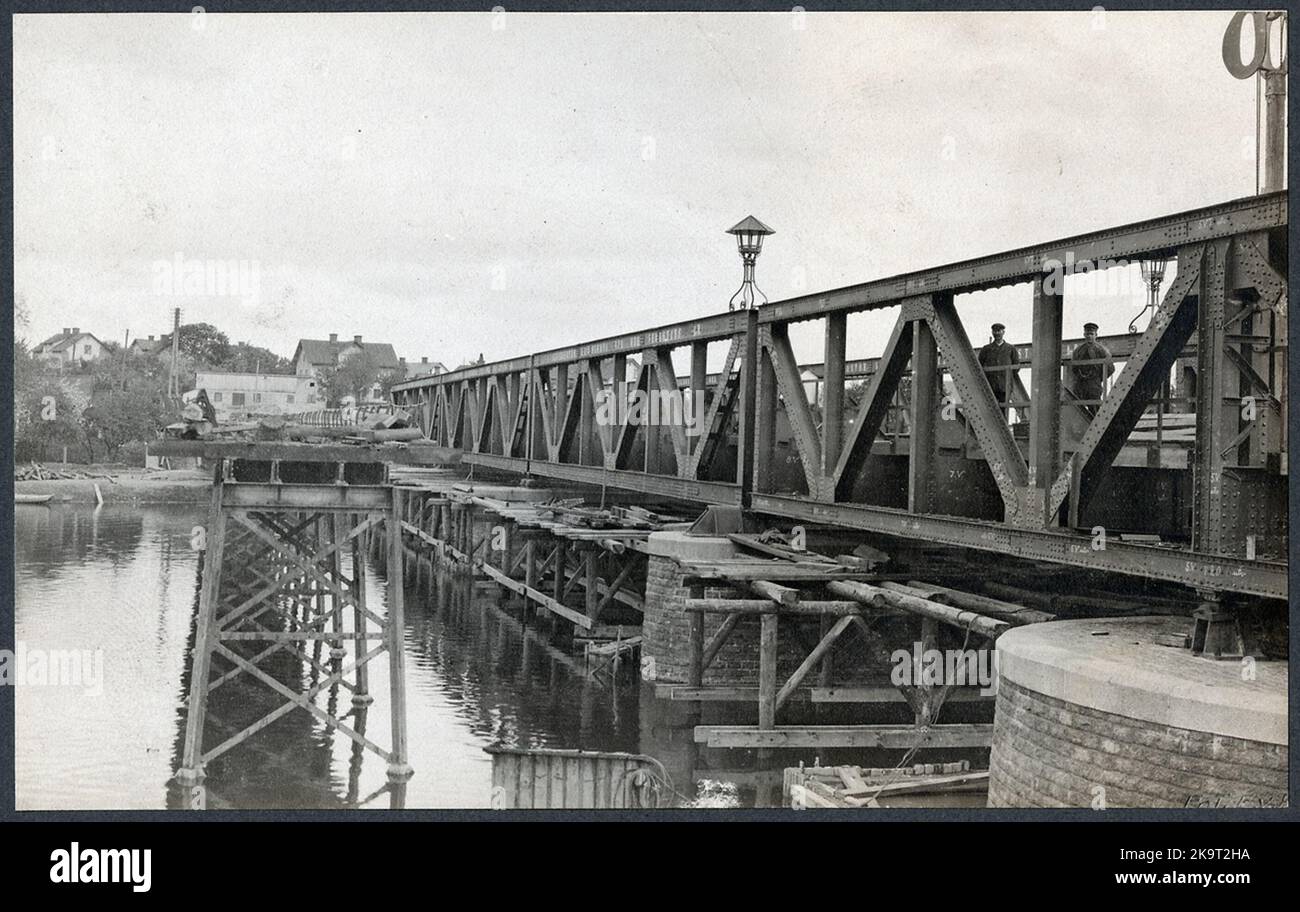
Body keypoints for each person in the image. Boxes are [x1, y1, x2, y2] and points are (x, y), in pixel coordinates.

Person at [1070, 322, 1115, 418]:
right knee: (1078, 410)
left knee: (1095, 410)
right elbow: (1073, 368)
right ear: (1084, 335)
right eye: (1087, 334)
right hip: (1080, 384)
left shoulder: (1102, 350)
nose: (1089, 336)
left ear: (1096, 335)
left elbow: (1110, 368)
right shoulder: (1078, 351)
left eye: (1092, 334)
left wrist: (1098, 379)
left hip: (1093, 384)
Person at [977, 322, 1019, 420]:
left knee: (1003, 411)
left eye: (999, 331)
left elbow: (1016, 366)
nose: (997, 333)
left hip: (1005, 386)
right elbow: (980, 366)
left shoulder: (1010, 349)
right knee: (989, 410)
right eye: (995, 331)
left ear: (1003, 332)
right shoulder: (986, 349)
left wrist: (1006, 376)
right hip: (990, 386)